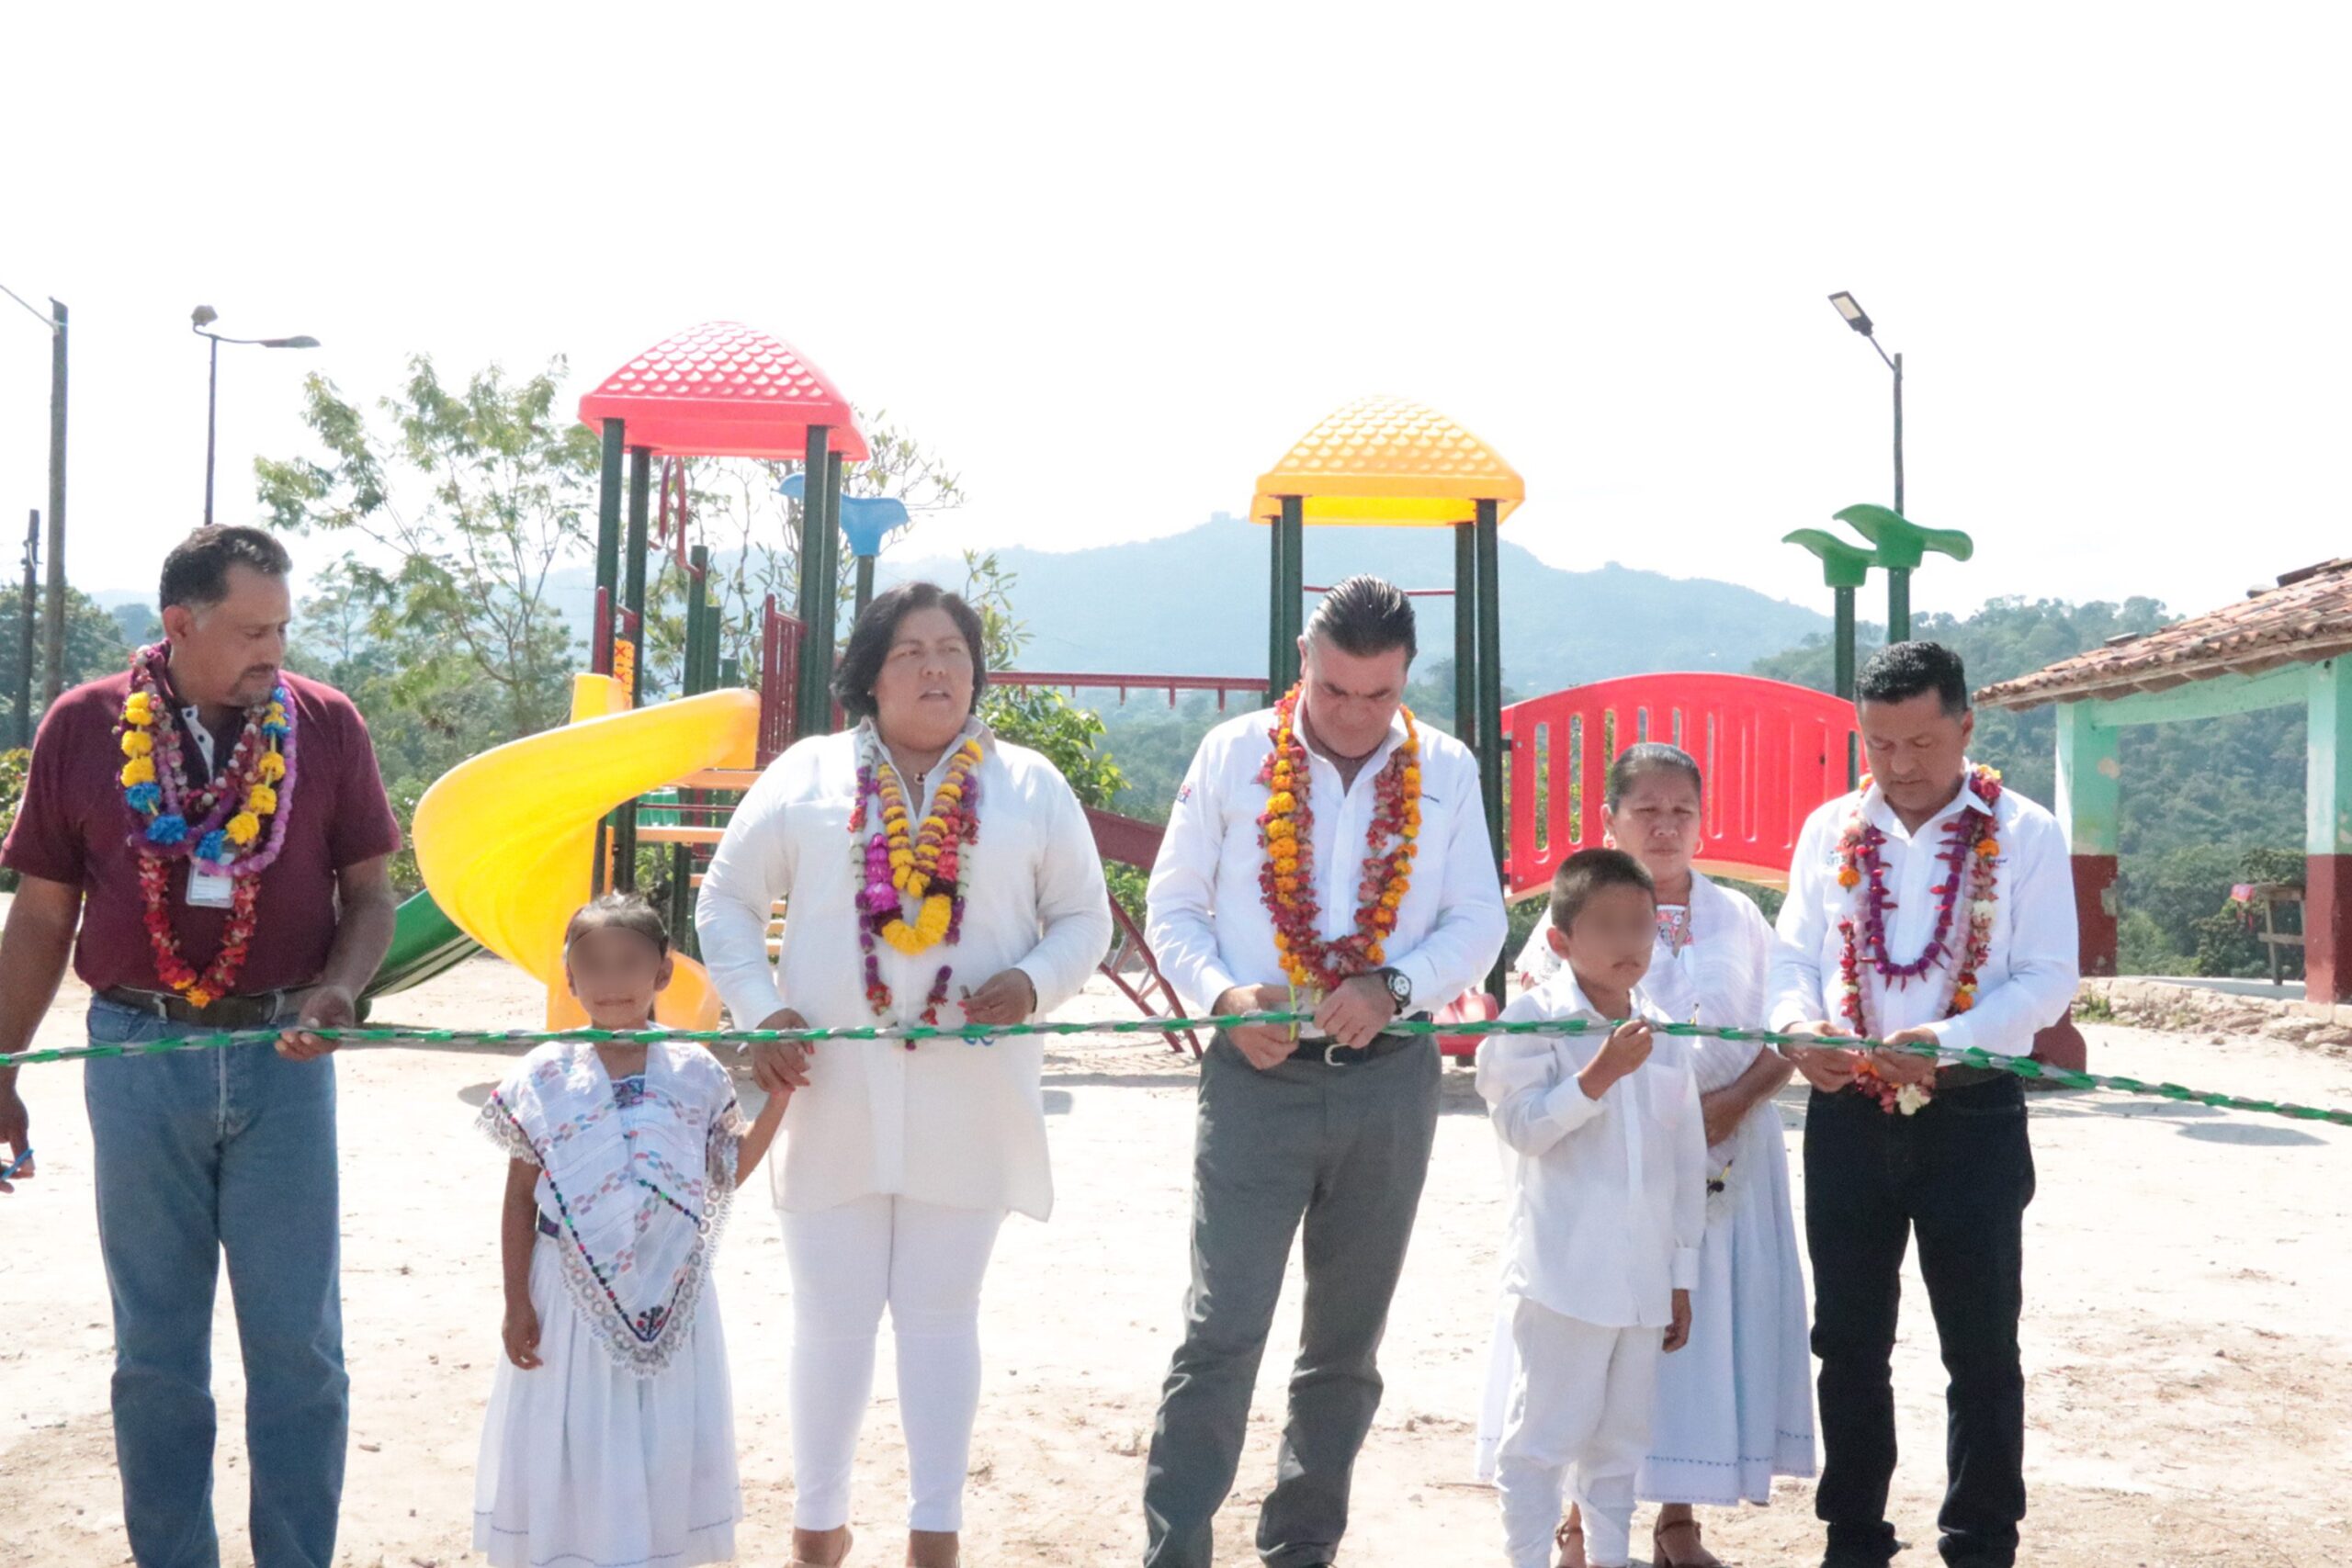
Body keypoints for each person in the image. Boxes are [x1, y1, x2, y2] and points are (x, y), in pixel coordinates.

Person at [0, 525, 401, 1567]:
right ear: (180, 624)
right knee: (156, 1353)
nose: (276, 651)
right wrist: (1, 1061)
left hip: (285, 1058)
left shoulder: (327, 723)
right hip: (136, 1057)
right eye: (252, 631)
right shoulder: (84, 726)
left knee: (300, 1348)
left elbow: (371, 895)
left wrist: (340, 988)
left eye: (283, 628)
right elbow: (40, 916)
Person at [695, 581, 1113, 1568]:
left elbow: (1083, 918)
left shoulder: (1029, 784)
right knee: (829, 1319)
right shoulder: (807, 774)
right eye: (911, 652)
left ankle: (935, 1533)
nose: (936, 669)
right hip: (827, 1090)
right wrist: (761, 1013)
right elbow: (726, 902)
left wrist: (1032, 980)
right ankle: (817, 1528)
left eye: (953, 651)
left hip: (971, 1096)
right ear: (868, 677)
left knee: (940, 1318)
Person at [1140, 575, 1510, 1568]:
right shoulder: (1232, 756)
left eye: (1378, 695)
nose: (1352, 716)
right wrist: (1223, 997)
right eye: (1334, 689)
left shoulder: (1447, 768)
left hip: (1390, 1077)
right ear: (1303, 661)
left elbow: (1479, 920)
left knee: (1345, 1344)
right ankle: (1176, 1549)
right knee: (1221, 1329)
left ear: (1406, 679)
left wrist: (1395, 985)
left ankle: (1303, 1546)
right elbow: (1173, 907)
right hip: (1254, 1074)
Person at [1768, 642, 2077, 1568]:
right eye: (1879, 744)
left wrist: (1946, 1041)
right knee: (1847, 1339)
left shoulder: (2023, 832)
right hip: (1847, 1111)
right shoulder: (1829, 829)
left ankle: (1980, 1539)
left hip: (1971, 1113)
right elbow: (1792, 957)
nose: (1899, 766)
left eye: (1921, 742)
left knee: (1979, 1343)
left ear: (1966, 727)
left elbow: (2047, 978)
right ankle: (1853, 1531)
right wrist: (1799, 1029)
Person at [1482, 745, 1815, 1567]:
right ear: (1610, 820)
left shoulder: (1738, 917)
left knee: (1662, 1372)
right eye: (1647, 810)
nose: (1666, 826)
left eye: (1681, 811)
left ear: (1703, 820)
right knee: (1565, 1394)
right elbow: (1527, 1105)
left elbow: (1784, 1025)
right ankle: (1565, 1532)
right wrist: (1606, 1081)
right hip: (1580, 1218)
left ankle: (1673, 1521)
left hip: (1712, 1178)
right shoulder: (1559, 950)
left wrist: (1728, 1106)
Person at [474, 894, 786, 1568]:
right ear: (569, 977)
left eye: (629, 964)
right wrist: (516, 1300)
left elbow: (726, 1170)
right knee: (574, 1428)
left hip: (670, 1292)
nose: (611, 981)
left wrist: (780, 1098)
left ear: (663, 973)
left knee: (657, 1436)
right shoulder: (545, 1074)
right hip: (567, 1297)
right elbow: (520, 1196)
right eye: (593, 965)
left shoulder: (695, 1072)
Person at [1477, 848, 1706, 1568]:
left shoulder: (1663, 1028)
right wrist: (1595, 1078)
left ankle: (1609, 1558)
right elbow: (1522, 1128)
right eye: (1606, 924)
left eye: (1641, 923)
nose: (1627, 941)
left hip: (1642, 1284)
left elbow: (1685, 1162)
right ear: (1560, 938)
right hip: (1563, 1276)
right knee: (1541, 1440)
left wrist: (1681, 1274)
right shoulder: (1530, 1022)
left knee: (1619, 1447)